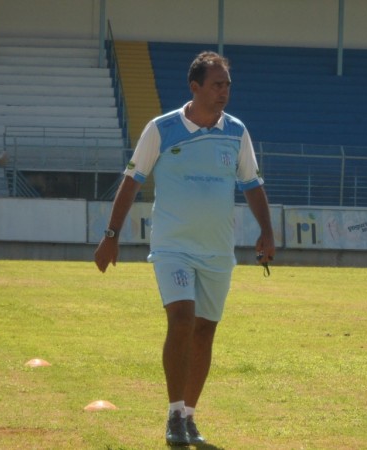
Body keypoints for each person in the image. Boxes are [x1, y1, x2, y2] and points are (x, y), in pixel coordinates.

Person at [94, 51, 275, 446]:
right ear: (195, 87)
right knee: (181, 319)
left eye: (227, 84)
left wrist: (267, 231)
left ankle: (190, 416)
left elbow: (252, 185)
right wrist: (111, 235)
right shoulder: (161, 129)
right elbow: (131, 181)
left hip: (217, 251)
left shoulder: (236, 131)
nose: (224, 91)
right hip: (173, 247)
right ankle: (174, 413)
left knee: (205, 332)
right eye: (217, 84)